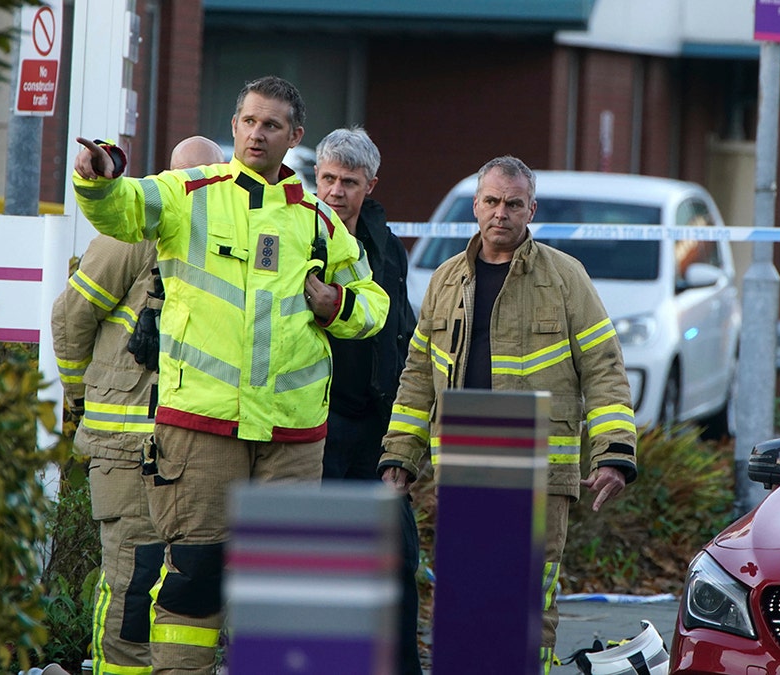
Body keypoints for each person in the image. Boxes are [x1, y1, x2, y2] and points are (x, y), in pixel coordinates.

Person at [71, 75, 390, 674]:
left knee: (278, 594)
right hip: (201, 427)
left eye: (271, 125)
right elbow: (121, 210)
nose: (255, 134)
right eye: (247, 121)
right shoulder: (189, 191)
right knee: (193, 582)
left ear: (294, 138)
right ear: (235, 123)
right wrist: (98, 177)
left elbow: (373, 303)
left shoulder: (318, 220)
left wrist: (338, 306)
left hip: (292, 439)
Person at [377, 155, 638, 672]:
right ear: (476, 206)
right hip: (464, 471)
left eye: (513, 204)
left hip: (539, 472)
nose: (501, 213)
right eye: (492, 201)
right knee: (464, 600)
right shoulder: (446, 281)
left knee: (528, 604)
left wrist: (614, 453)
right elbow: (416, 377)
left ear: (531, 210)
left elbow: (604, 368)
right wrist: (399, 458)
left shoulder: (566, 279)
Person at [52, 136, 225, 675]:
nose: (194, 191)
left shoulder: (222, 239)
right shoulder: (132, 235)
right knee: (133, 580)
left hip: (189, 446)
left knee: (186, 587)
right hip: (127, 445)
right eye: (184, 179)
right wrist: (82, 400)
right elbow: (70, 320)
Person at [314, 126, 422, 675]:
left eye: (349, 182)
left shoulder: (386, 246)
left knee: (396, 556)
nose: (336, 191)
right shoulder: (299, 234)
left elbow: (401, 330)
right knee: (323, 561)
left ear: (370, 184)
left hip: (377, 427)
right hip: (317, 425)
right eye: (328, 178)